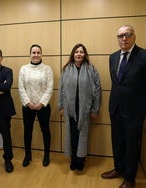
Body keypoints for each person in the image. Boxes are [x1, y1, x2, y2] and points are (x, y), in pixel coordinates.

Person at [101, 25, 146, 188]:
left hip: (135, 111)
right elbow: (117, 84)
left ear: (134, 36)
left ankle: (129, 178)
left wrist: (140, 103)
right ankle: (118, 168)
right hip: (116, 108)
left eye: (127, 35)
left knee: (132, 145)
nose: (124, 39)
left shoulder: (145, 57)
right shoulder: (112, 57)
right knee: (117, 141)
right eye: (120, 36)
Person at [58, 43, 101, 171]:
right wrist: (61, 106)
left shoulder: (91, 70)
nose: (79, 54)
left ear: (85, 55)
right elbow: (60, 89)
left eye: (81, 52)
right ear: (73, 54)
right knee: (72, 134)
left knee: (82, 134)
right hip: (70, 107)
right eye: (76, 51)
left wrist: (95, 109)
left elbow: (97, 90)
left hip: (85, 108)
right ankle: (73, 159)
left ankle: (81, 159)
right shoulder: (66, 69)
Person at [18, 44, 53, 167]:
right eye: (34, 52)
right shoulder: (24, 69)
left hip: (43, 106)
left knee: (45, 131)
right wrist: (29, 103)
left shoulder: (47, 69)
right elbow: (21, 87)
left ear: (41, 54)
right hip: (28, 106)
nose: (36, 55)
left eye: (38, 52)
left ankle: (47, 155)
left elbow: (50, 87)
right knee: (28, 131)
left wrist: (41, 103)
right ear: (30, 54)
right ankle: (28, 155)